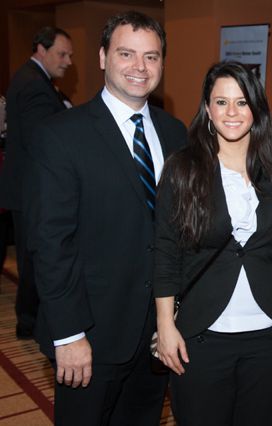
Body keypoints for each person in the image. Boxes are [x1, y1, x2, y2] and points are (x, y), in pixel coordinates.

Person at [24, 11, 186, 425]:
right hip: (90, 335)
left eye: (151, 57)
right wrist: (69, 333)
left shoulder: (175, 133)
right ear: (102, 57)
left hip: (156, 333)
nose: (139, 67)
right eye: (126, 54)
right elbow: (50, 243)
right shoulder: (61, 135)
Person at [153, 61, 272, 426]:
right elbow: (166, 251)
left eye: (242, 102)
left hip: (269, 336)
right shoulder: (183, 169)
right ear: (207, 108)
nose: (232, 112)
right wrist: (166, 325)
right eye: (221, 102)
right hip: (204, 336)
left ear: (256, 108)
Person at [0, 26, 73, 339]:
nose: (68, 61)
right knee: (34, 259)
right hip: (30, 190)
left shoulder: (32, 78)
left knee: (32, 257)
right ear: (41, 50)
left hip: (25, 187)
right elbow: (42, 141)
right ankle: (29, 322)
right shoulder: (33, 84)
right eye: (62, 54)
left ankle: (30, 319)